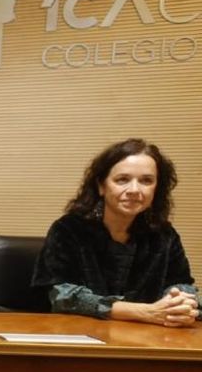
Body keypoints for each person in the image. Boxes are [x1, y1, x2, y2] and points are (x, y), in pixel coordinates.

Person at [32, 138, 197, 326]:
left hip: (147, 336)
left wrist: (179, 304)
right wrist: (144, 312)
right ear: (101, 186)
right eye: (122, 180)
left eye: (146, 181)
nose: (134, 190)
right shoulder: (68, 229)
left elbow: (182, 285)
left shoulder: (164, 235)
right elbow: (62, 296)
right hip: (78, 333)